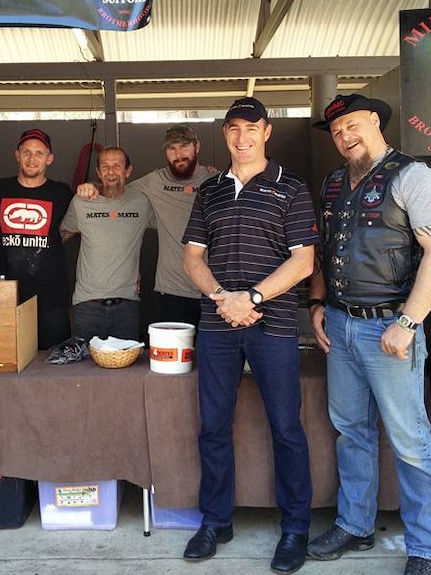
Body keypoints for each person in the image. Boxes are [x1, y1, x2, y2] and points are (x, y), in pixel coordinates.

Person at [306, 93, 431, 575]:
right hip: (341, 325)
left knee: (410, 441)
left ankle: (426, 548)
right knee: (352, 433)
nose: (344, 136)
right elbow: (325, 253)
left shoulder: (412, 176)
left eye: (352, 125)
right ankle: (355, 524)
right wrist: (316, 304)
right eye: (336, 131)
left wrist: (408, 323)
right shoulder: (332, 184)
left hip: (390, 329)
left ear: (374, 121)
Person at [181, 97, 317, 574]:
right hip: (218, 324)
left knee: (286, 428)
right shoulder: (210, 190)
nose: (242, 137)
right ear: (225, 134)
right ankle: (216, 521)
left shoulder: (292, 188)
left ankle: (296, 527)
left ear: (267, 132)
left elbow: (303, 262)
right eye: (234, 128)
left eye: (251, 128)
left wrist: (252, 299)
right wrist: (224, 297)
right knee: (213, 427)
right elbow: (193, 257)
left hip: (272, 325)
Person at [75, 124, 215, 327]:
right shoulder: (154, 182)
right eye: (171, 148)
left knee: (210, 358)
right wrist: (92, 187)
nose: (178, 154)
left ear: (197, 147)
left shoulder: (217, 180)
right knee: (171, 358)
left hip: (213, 290)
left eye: (184, 147)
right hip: (171, 292)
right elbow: (115, 188)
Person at [0, 128, 73, 350]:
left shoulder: (62, 192)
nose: (32, 159)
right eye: (27, 152)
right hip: (10, 291)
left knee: (54, 360)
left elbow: (72, 229)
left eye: (39, 153)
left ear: (49, 159)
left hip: (52, 295)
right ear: (17, 155)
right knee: (12, 356)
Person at [61, 146, 154, 341]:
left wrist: (206, 174)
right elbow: (61, 235)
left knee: (125, 367)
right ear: (98, 172)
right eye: (105, 166)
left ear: (128, 171)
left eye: (117, 166)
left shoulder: (143, 202)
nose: (110, 172)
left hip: (126, 306)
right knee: (82, 368)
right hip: (86, 305)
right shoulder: (81, 201)